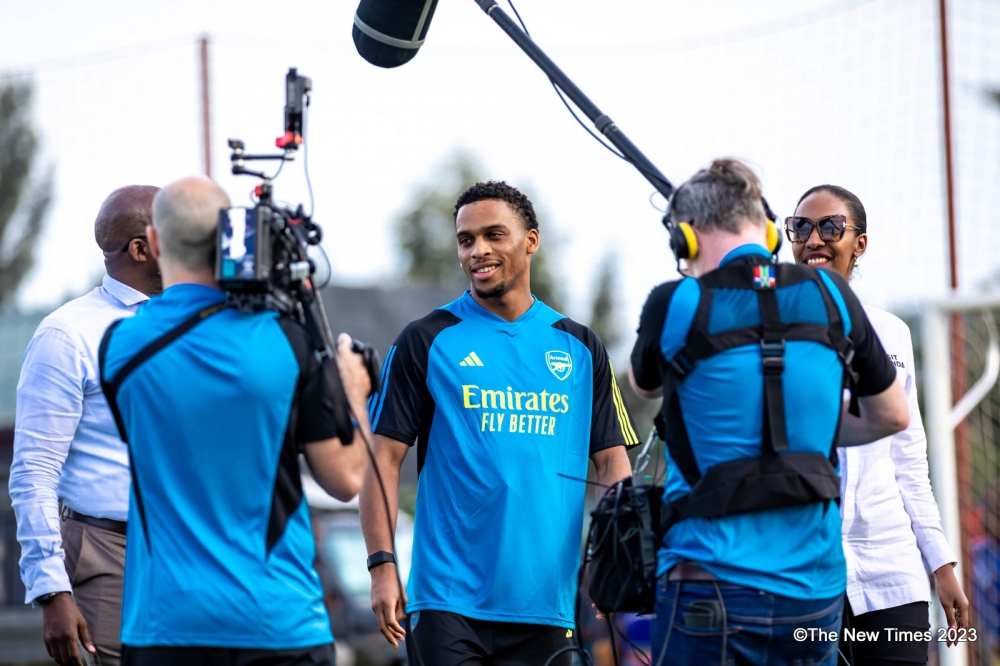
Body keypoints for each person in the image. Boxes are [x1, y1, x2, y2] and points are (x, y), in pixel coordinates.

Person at [629, 159, 910, 666]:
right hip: (813, 591)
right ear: (768, 232)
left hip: (709, 582)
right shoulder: (832, 296)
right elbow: (892, 415)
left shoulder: (674, 302)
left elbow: (644, 383)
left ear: (684, 241)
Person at [359, 180, 638, 666]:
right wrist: (382, 566)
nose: (478, 250)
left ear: (530, 240)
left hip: (548, 609)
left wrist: (616, 556)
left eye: (494, 235)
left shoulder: (580, 346)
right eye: (466, 240)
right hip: (448, 606)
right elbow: (382, 458)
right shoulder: (428, 339)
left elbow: (613, 462)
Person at [98, 176, 371, 666]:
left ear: (155, 242)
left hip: (165, 627)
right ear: (229, 236)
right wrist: (354, 390)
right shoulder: (286, 342)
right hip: (279, 622)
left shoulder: (118, 348)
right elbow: (346, 479)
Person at [789, 183, 968, 665]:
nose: (814, 239)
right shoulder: (768, 334)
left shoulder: (891, 333)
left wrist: (941, 563)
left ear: (860, 243)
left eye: (830, 226)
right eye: (801, 227)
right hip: (800, 576)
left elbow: (909, 459)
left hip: (891, 577)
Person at [9, 185, 161, 666]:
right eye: (177, 230)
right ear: (141, 248)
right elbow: (34, 470)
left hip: (191, 548)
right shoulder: (68, 333)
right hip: (108, 553)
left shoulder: (200, 323)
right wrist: (50, 588)